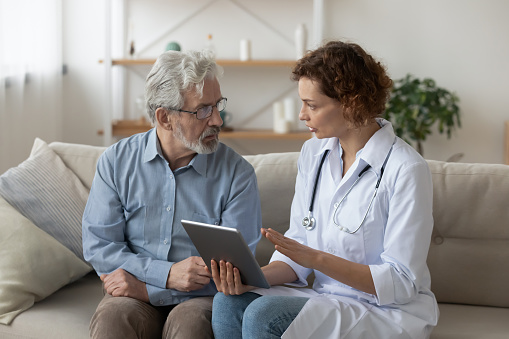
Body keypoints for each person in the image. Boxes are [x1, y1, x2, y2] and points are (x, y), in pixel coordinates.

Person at [211, 41, 439, 339]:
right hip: (327, 301)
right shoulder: (314, 153)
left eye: (312, 105)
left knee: (263, 316)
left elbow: (401, 282)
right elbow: (298, 249)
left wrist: (317, 259)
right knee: (228, 302)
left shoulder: (406, 170)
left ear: (351, 103)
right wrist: (252, 280)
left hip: (385, 310)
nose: (302, 115)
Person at [82, 49, 262, 339]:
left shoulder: (237, 174)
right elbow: (100, 246)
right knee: (112, 318)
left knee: (191, 325)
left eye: (218, 105)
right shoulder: (116, 162)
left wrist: (146, 288)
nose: (217, 120)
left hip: (198, 300)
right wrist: (165, 275)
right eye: (203, 109)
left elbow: (237, 271)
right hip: (131, 295)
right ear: (165, 118)